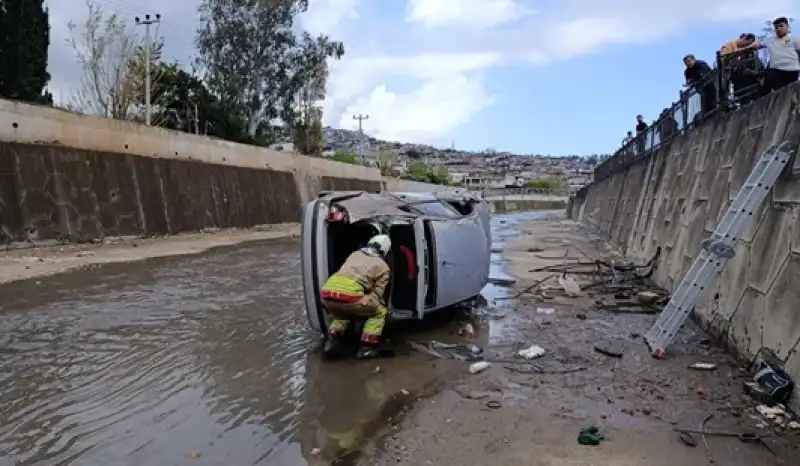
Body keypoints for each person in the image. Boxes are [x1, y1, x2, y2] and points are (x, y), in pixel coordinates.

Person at [321, 234, 392, 360]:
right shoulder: (383, 266)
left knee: (342, 314)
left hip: (327, 293)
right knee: (379, 312)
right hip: (349, 296)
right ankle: (367, 348)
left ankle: (331, 344)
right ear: (384, 250)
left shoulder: (355, 254)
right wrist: (369, 305)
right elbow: (377, 294)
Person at [743, 17, 800, 96]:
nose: (779, 29)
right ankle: (764, 96)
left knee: (790, 89)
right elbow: (758, 44)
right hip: (777, 70)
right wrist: (751, 46)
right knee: (770, 74)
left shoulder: (795, 39)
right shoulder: (770, 40)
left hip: (792, 70)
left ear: (787, 26)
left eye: (781, 26)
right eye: (776, 27)